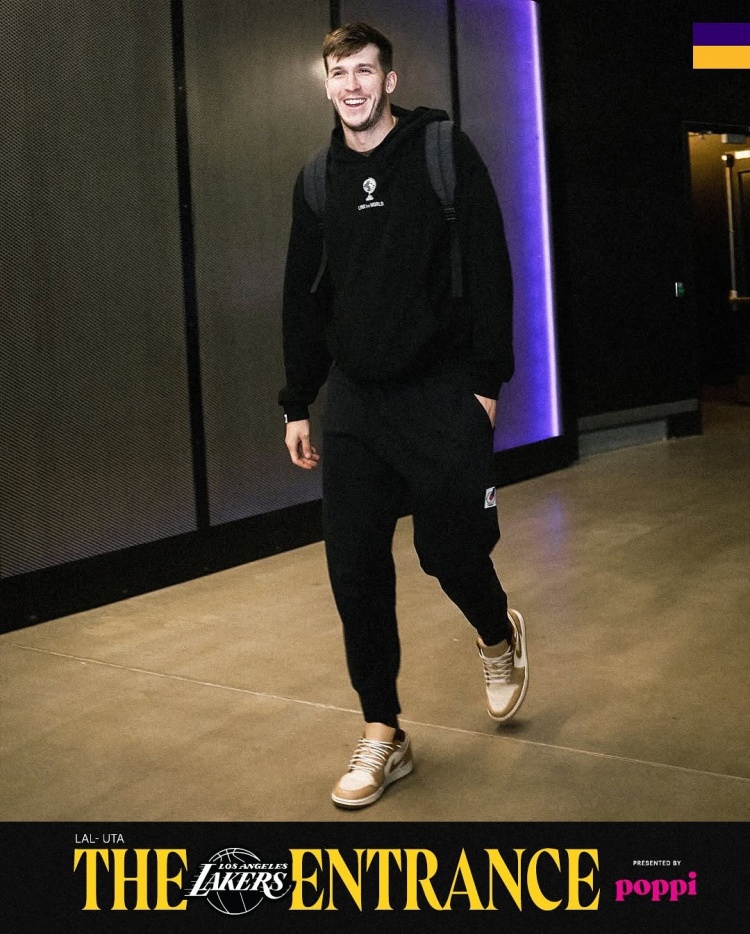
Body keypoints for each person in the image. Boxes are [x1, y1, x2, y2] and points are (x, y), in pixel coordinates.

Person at [279, 21, 527, 809]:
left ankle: (497, 632)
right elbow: (302, 297)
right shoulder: (317, 179)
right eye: (338, 73)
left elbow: (490, 267)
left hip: (440, 392)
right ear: (325, 84)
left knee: (452, 554)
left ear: (389, 80)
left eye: (364, 70)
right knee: (354, 567)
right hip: (356, 401)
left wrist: (485, 385)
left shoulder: (442, 153)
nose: (351, 85)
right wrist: (297, 400)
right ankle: (383, 731)